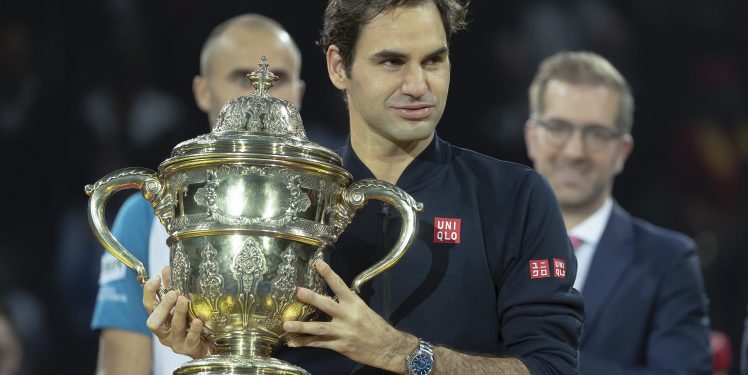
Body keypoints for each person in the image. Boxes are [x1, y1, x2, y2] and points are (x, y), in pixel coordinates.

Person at [144, 1, 584, 374]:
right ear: (339, 67)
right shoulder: (288, 197)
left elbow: (551, 366)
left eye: (434, 60)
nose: (418, 86)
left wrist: (405, 354)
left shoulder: (515, 197)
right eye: (391, 62)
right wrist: (223, 352)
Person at [90, 13, 307, 375]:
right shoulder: (146, 216)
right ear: (202, 92)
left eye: (279, 79)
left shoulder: (331, 211)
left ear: (299, 92)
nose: (261, 91)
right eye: (241, 77)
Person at [523, 51, 712, 374]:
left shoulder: (669, 261)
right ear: (532, 137)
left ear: (622, 151)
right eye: (558, 127)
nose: (575, 151)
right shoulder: (483, 244)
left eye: (596, 134)